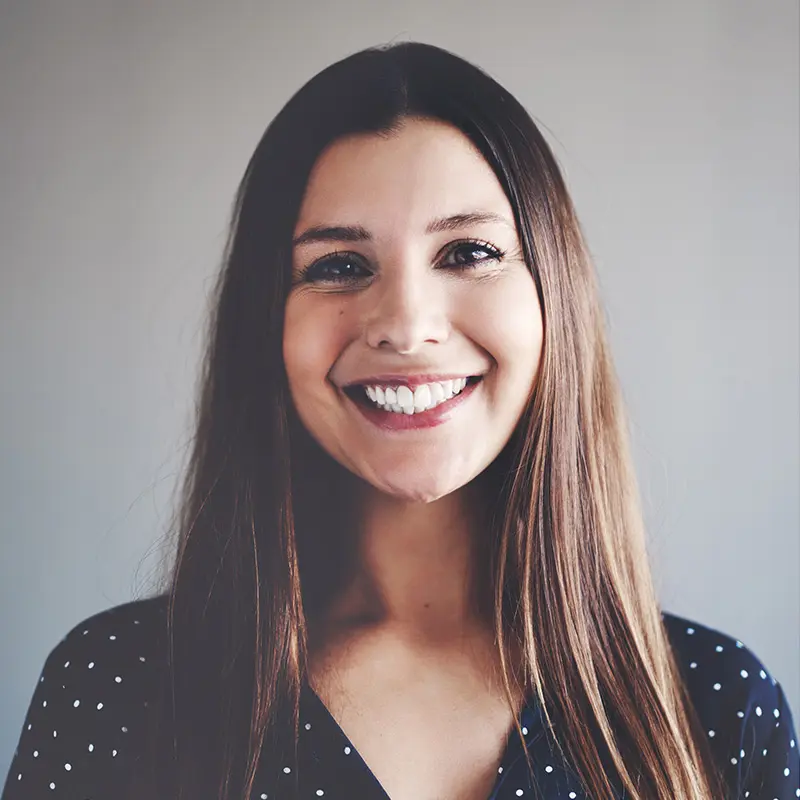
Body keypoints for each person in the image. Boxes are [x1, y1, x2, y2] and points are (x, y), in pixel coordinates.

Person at [2, 41, 797, 800]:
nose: (406, 325)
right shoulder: (118, 687)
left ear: (555, 293)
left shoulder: (718, 708)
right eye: (339, 266)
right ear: (264, 325)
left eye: (468, 254)